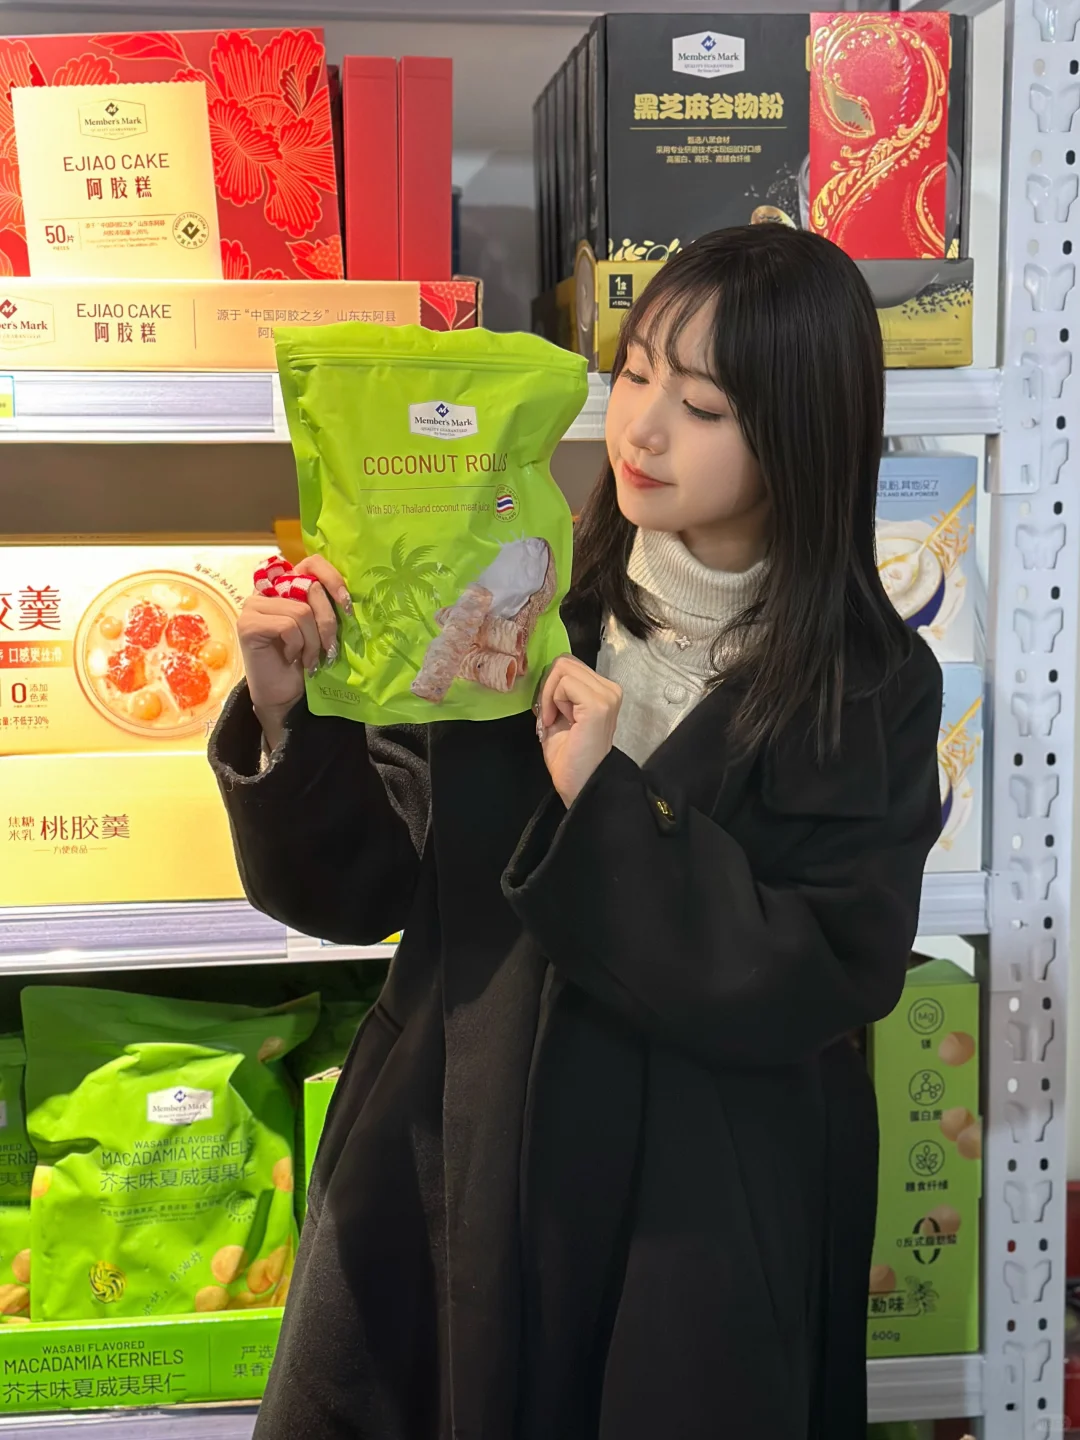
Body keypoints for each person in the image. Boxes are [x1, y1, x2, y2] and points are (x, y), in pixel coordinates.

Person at [211, 225, 942, 1440]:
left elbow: (824, 972)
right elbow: (356, 890)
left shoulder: (871, 686)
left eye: (702, 405)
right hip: (458, 1163)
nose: (642, 429)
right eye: (637, 373)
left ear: (803, 431)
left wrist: (607, 800)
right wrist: (293, 714)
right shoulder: (515, 603)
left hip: (697, 1224)